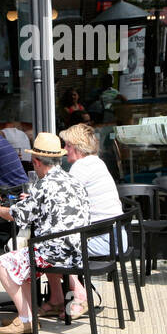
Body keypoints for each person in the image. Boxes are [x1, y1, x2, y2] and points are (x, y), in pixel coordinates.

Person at [0, 133, 90, 334]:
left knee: (3, 263)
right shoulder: (72, 180)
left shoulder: (44, 185)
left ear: (36, 161)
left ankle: (26, 318)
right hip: (77, 249)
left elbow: (18, 215)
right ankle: (30, 312)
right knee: (23, 257)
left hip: (57, 252)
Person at [59, 123, 125, 314]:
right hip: (116, 236)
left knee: (51, 245)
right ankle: (59, 298)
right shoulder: (97, 162)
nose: (64, 150)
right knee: (56, 240)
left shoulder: (81, 167)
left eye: (67, 145)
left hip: (105, 239)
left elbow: (63, 202)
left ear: (78, 147)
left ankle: (79, 298)